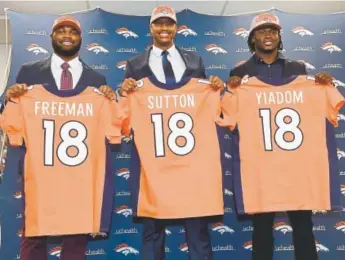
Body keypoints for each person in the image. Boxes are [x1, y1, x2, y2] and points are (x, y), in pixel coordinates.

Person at [4, 15, 114, 260]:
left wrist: (110, 99)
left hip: (80, 172)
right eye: (61, 31)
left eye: (73, 32)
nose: (67, 35)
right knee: (34, 234)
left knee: (76, 236)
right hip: (40, 170)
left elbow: (110, 126)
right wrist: (10, 97)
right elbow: (14, 115)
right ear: (52, 37)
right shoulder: (28, 72)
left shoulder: (97, 80)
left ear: (80, 39)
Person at [119, 5, 223, 260]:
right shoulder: (134, 64)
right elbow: (127, 109)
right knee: (152, 232)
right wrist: (124, 90)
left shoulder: (195, 60)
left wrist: (215, 88)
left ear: (176, 28)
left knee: (197, 232)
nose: (164, 28)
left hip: (191, 162)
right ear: (151, 28)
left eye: (169, 24)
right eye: (159, 23)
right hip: (155, 164)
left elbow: (202, 101)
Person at [227, 13, 333, 260]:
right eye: (262, 31)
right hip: (262, 165)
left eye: (273, 31)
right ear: (252, 38)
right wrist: (230, 89)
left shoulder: (298, 68)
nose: (268, 35)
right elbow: (230, 113)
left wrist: (320, 85)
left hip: (295, 163)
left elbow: (311, 106)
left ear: (279, 37)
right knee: (262, 229)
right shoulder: (239, 72)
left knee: (303, 226)